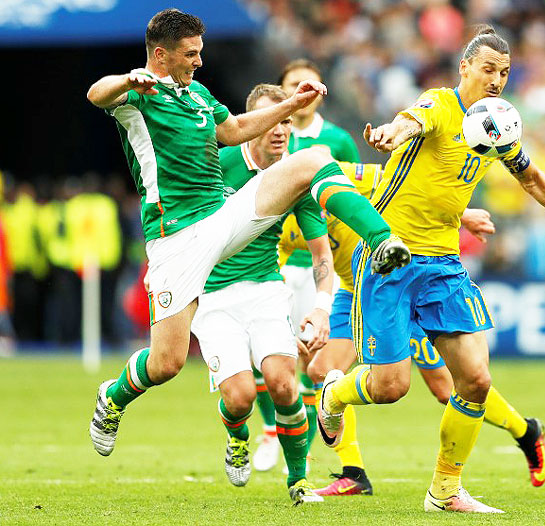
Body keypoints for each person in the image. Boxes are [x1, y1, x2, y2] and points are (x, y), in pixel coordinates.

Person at [86, 8, 411, 503]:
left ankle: (382, 239)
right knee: (167, 363)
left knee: (312, 160)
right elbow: (96, 93)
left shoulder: (197, 95)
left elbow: (234, 128)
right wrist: (127, 80)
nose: (199, 61)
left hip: (221, 220)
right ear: (160, 54)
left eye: (200, 51)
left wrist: (290, 105)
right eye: (191, 54)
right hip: (174, 240)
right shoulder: (137, 94)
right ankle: (112, 398)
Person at [317, 25, 545, 514]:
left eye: (504, 72)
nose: (497, 79)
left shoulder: (495, 123)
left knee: (474, 380)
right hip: (391, 258)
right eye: (488, 69)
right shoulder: (439, 104)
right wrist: (393, 132)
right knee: (391, 387)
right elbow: (410, 122)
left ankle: (445, 490)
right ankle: (333, 396)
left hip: (444, 263)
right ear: (465, 68)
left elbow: (532, 177)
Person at [285, 180, 545, 495]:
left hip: (398, 286)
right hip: (352, 290)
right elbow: (290, 259)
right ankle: (353, 472)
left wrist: (462, 214)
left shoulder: (339, 175)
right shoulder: (281, 211)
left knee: (446, 386)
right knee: (320, 369)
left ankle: (525, 431)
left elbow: (411, 183)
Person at [190, 83, 333, 503]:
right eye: (272, 119)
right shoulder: (216, 164)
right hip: (214, 295)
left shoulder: (294, 179)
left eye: (287, 120)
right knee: (240, 398)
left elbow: (321, 254)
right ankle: (237, 437)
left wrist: (322, 306)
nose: (280, 129)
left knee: (284, 385)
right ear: (251, 124)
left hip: (267, 289)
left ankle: (299, 480)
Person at [252, 59, 363, 472]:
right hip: (273, 260)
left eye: (308, 83)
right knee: (265, 353)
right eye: (293, 84)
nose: (302, 89)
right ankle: (269, 430)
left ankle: (303, 449)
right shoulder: (267, 134)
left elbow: (354, 191)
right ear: (281, 93)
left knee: (311, 358)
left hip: (321, 262)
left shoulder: (336, 140)